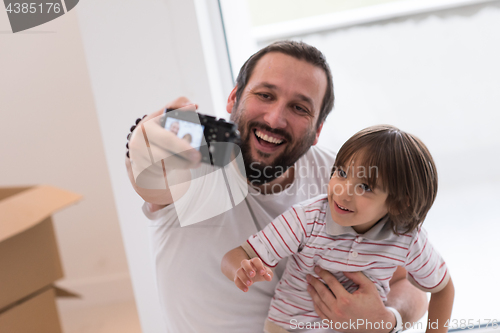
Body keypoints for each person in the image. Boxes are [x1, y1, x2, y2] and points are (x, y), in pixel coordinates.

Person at [125, 41, 428, 333]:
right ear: (234, 99)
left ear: (317, 130)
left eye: (299, 108)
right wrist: (143, 142)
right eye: (266, 95)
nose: (275, 118)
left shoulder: (342, 179)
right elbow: (151, 176)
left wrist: (387, 319)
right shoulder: (196, 166)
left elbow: (408, 282)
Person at [221, 125, 455, 333]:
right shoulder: (308, 218)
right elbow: (236, 255)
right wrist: (242, 270)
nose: (343, 192)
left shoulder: (407, 239)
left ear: (398, 203)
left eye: (364, 187)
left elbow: (443, 289)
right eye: (341, 173)